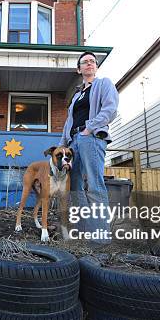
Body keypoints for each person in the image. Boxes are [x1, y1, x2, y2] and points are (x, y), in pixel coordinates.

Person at [59, 51, 119, 243]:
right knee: (75, 187)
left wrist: (89, 128)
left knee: (94, 184)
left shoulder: (104, 84)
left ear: (96, 66)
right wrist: (62, 149)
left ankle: (100, 239)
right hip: (73, 141)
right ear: (79, 69)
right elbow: (68, 122)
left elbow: (110, 110)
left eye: (92, 61)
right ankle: (83, 232)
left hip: (90, 138)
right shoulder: (77, 95)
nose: (89, 64)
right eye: (85, 62)